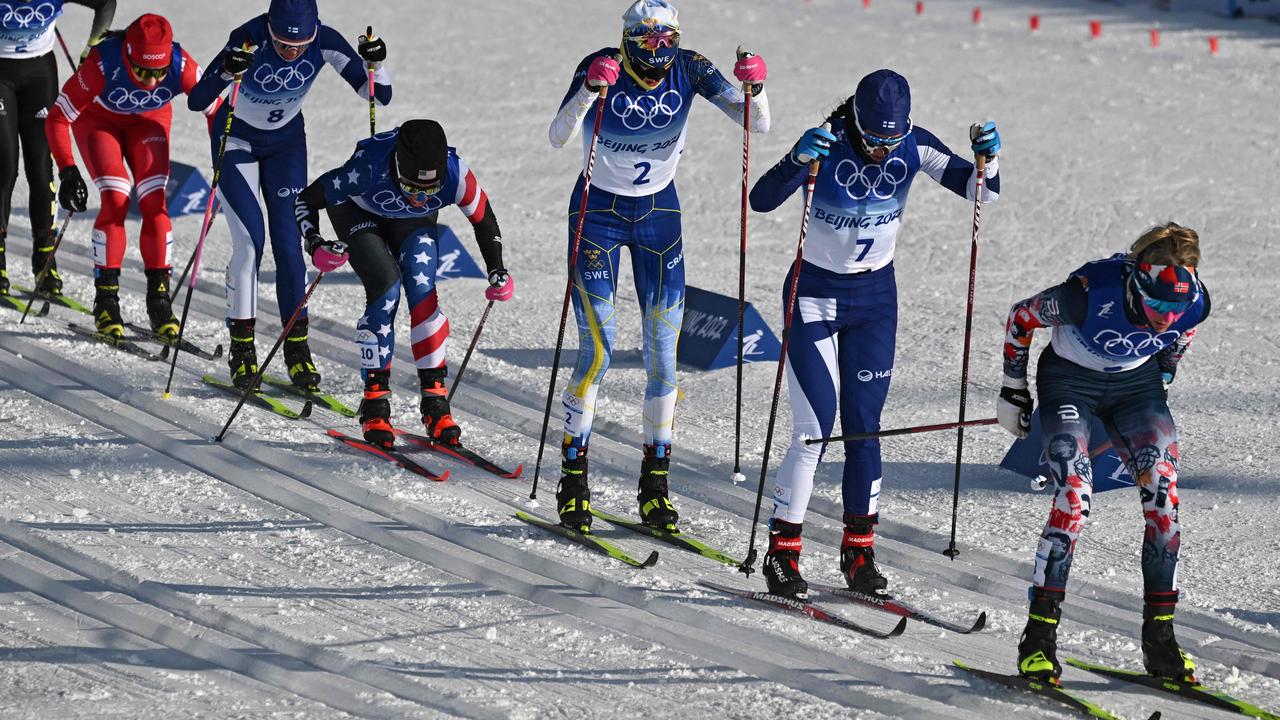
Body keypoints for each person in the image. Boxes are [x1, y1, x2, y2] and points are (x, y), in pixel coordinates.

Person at [748, 69, 1001, 600]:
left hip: (874, 302)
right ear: (854, 120)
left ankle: (858, 551)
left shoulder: (914, 144)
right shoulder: (829, 140)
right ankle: (782, 553)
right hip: (813, 298)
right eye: (874, 139)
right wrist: (797, 158)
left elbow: (982, 192)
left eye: (893, 139)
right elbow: (762, 201)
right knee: (813, 429)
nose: (884, 150)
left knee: (865, 429)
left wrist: (989, 159)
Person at [547, 0, 770, 533]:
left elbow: (755, 124)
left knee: (662, 358)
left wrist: (756, 88)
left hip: (657, 217)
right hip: (597, 214)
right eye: (646, 42)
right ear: (627, 40)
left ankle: (655, 485)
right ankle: (573, 479)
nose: (657, 52)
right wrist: (586, 91)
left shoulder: (690, 67)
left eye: (665, 41)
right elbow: (557, 135)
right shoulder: (599, 63)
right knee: (596, 351)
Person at [997, 222, 1209, 683]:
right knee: (1073, 497)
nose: (1165, 317)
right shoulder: (1087, 296)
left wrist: (1165, 376)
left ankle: (1160, 641)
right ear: (1137, 283)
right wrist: (1013, 388)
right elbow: (1021, 317)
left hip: (1136, 387)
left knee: (1165, 502)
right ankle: (1038, 639)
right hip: (1071, 380)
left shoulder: (1193, 303)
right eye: (1156, 305)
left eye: (1175, 306)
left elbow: (1181, 335)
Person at [186, 0, 390, 391]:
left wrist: (376, 65)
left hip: (286, 146)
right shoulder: (247, 38)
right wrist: (227, 71)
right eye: (282, 46)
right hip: (237, 142)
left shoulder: (325, 40)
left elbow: (379, 96)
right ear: (269, 28)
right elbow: (198, 100)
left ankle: (297, 350)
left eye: (299, 47)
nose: (291, 53)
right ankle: (242, 351)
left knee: (288, 244)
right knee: (249, 245)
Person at [292, 119, 510, 448]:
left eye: (431, 191)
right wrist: (316, 244)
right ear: (397, 168)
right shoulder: (368, 168)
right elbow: (304, 200)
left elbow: (484, 220)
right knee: (386, 288)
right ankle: (375, 405)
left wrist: (497, 270)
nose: (421, 197)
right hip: (357, 212)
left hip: (410, 223)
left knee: (424, 295)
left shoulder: (455, 174)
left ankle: (435, 404)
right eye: (412, 188)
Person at [45, 13, 217, 338]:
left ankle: (159, 300)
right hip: (99, 122)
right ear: (127, 55)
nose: (151, 82)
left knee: (154, 202)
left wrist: (226, 156)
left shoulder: (181, 65)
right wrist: (67, 169)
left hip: (148, 124)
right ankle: (107, 300)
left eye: (158, 73)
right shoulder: (102, 64)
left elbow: (215, 108)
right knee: (117, 195)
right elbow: (57, 118)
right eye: (141, 72)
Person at [1, 0, 115, 299]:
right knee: (4, 166)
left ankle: (45, 259)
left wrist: (92, 48)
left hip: (40, 71)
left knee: (41, 168)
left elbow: (105, 3)